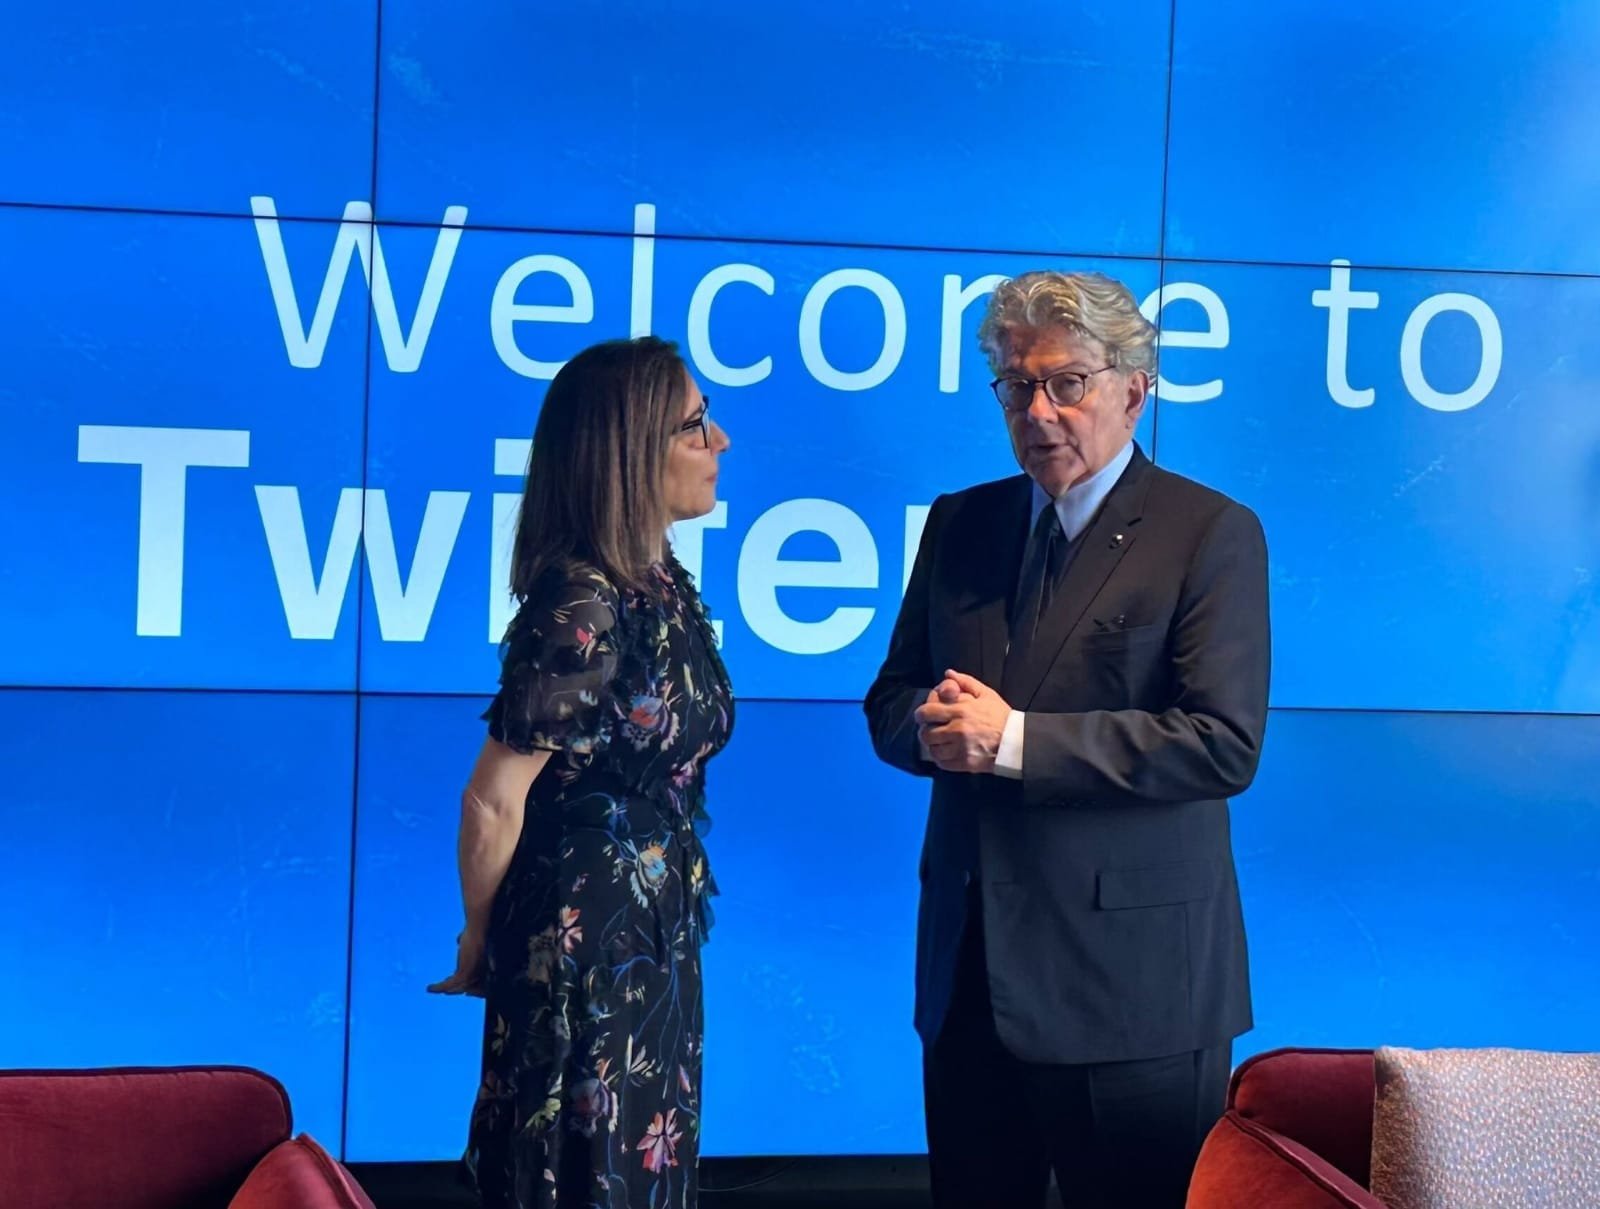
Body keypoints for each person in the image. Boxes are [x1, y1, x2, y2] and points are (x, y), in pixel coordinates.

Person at [863, 270, 1271, 1208]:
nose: (1038, 411)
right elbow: (891, 697)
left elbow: (1222, 742)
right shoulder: (961, 522)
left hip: (1133, 994)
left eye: (1066, 383)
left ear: (1135, 387)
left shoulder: (1210, 533)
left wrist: (1014, 742)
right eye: (1015, 385)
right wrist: (930, 730)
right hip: (970, 982)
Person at [428, 336, 734, 1209]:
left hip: (650, 944)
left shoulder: (657, 581)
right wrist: (480, 938)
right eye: (695, 425)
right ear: (631, 450)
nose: (721, 442)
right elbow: (493, 797)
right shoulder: (583, 601)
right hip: (582, 953)